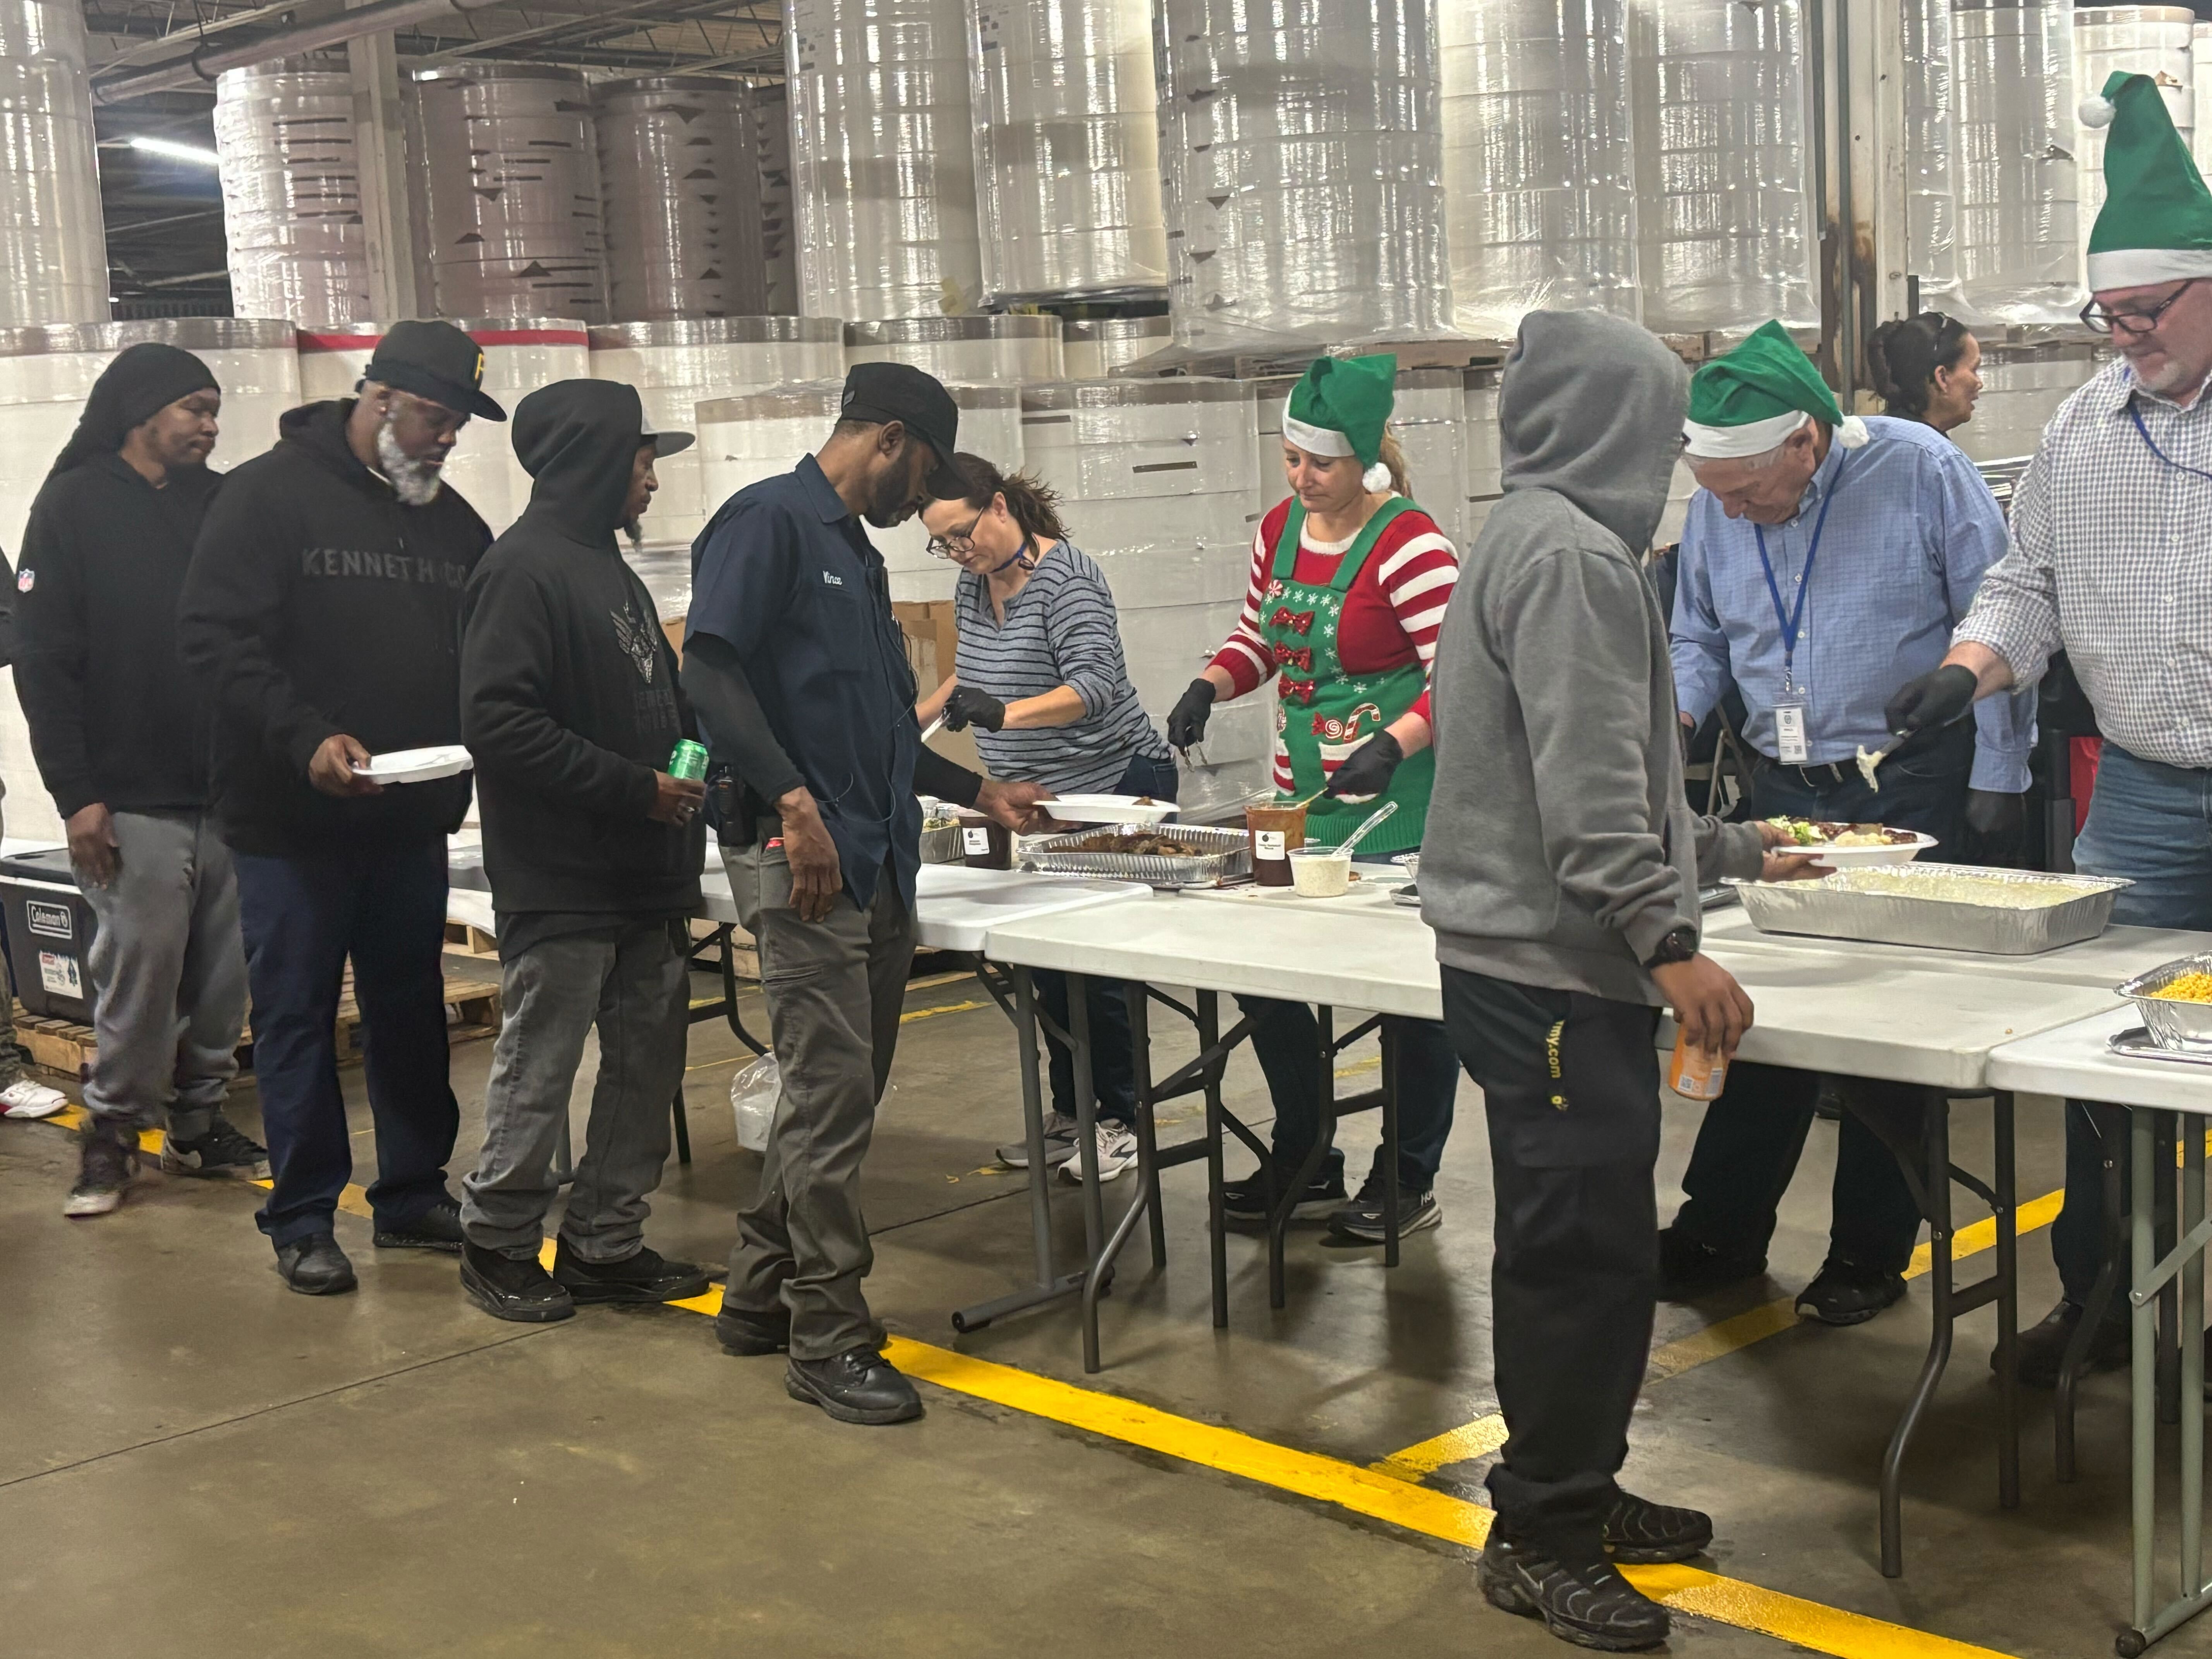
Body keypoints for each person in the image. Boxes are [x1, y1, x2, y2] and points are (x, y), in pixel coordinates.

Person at [1423, 308, 1806, 1651]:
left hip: (1530, 961)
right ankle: (1542, 1532)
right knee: (1577, 1258)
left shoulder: (1526, 534)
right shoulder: (1576, 559)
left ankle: (1576, 1478)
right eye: (1661, 426)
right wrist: (1672, 943)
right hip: (1553, 974)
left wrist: (1739, 849)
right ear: (1615, 427)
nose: (1672, 458)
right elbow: (1589, 807)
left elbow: (1591, 779)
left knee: (1580, 1245)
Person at [1889, 70, 2212, 1384]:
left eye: (2147, 312)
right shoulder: (2084, 429)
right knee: (2102, 1058)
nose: (2124, 337)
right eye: (2109, 316)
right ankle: (2102, 1300)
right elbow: (2027, 586)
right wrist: (1963, 673)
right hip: (2141, 791)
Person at [681, 362, 1051, 1425]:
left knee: (835, 1093)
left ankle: (759, 1291)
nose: (920, 498)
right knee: (832, 1093)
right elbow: (708, 673)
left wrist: (980, 792)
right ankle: (828, 1335)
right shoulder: (769, 523)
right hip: (805, 859)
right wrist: (792, 802)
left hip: (875, 857)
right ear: (889, 439)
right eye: (923, 473)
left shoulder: (852, 552)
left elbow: (881, 732)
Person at [1660, 321, 2034, 1325]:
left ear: (1805, 442)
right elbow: (1698, 635)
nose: (1729, 510)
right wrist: (1673, 718)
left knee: (1887, 1026)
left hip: (1907, 781)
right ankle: (1719, 1228)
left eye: (1745, 491)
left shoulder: (1921, 471)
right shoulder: (1721, 503)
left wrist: (2001, 770)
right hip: (1783, 785)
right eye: (1712, 492)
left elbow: (1999, 615)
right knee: (1762, 1011)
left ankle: (1870, 1250)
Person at [178, 319, 502, 1296]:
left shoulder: (455, 526)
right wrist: (304, 737)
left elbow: (485, 655)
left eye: (458, 424)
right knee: (298, 1015)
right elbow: (215, 639)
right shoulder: (266, 498)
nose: (448, 438)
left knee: (410, 1011)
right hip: (292, 824)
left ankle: (411, 1194)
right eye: (437, 418)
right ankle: (304, 1216)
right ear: (381, 398)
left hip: (407, 820)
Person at [1164, 354, 1463, 1242]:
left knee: (1411, 999)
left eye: (1320, 463)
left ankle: (1406, 1175)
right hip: (1303, 808)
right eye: (1292, 458)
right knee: (1267, 978)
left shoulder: (1412, 546)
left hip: (1399, 808)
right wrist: (1212, 684)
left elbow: (1463, 678)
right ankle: (1306, 1153)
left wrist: (1394, 743)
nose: (1301, 478)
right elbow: (1261, 639)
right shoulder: (1280, 530)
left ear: (1365, 458)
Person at [455, 379, 713, 1322]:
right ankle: (498, 1241)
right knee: (542, 1065)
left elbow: (661, 703)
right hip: (563, 875)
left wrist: (692, 766)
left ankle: (606, 1243)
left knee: (647, 1067)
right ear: (594, 461)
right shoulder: (521, 570)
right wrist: (637, 788)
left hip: (646, 874)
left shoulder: (612, 569)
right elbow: (498, 722)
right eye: (642, 460)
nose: (652, 479)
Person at [15, 344, 258, 1216]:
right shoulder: (73, 505)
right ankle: (113, 1132)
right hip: (129, 795)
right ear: (141, 411)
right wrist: (76, 795)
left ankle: (197, 1121)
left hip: (229, 791)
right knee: (143, 972)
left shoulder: (220, 504)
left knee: (226, 978)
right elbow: (44, 661)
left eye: (214, 408)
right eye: (195, 407)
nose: (210, 425)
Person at [914, 452, 1177, 1186]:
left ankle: (1122, 1120)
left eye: (963, 533)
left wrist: (1004, 714)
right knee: (1047, 968)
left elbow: (1093, 688)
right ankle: (1073, 1114)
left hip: (1111, 786)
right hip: (1038, 801)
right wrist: (912, 721)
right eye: (942, 543)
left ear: (999, 506)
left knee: (1096, 971)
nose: (958, 551)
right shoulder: (974, 582)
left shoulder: (1069, 581)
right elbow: (971, 669)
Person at [1868, 312, 1984, 436]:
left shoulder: (1874, 440)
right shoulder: (1933, 448)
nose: (1980, 384)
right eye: (1974, 370)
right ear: (1942, 378)